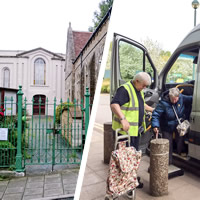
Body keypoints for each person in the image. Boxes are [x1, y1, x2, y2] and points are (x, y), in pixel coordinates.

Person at [110, 71, 153, 197]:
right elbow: (114, 104)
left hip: (134, 132)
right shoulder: (125, 90)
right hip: (125, 133)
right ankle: (126, 184)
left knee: (132, 158)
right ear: (137, 81)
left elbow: (140, 104)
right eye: (144, 85)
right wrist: (123, 118)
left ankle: (131, 181)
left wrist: (152, 109)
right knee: (125, 160)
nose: (144, 88)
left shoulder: (138, 90)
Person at [151, 87, 193, 165]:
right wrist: (155, 126)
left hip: (178, 125)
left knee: (180, 139)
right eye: (172, 99)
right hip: (167, 126)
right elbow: (155, 115)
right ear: (169, 97)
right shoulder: (163, 103)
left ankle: (179, 154)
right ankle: (168, 162)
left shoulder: (181, 97)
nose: (174, 101)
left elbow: (192, 99)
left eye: (176, 99)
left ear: (179, 96)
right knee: (168, 144)